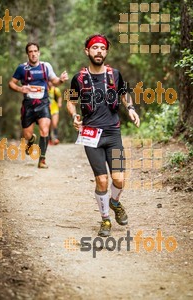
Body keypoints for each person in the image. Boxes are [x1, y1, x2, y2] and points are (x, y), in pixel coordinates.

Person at [67, 34, 140, 237]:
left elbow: (124, 93)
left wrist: (131, 108)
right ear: (87, 51)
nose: (99, 51)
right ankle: (105, 220)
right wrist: (74, 115)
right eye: (95, 47)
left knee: (119, 180)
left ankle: (115, 202)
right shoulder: (78, 79)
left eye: (102, 48)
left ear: (106, 52)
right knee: (102, 181)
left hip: (113, 133)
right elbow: (71, 102)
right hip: (91, 136)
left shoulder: (114, 74)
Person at [9, 42, 68, 168]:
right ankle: (30, 141)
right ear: (27, 54)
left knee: (45, 130)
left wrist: (61, 80)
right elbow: (11, 83)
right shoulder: (22, 68)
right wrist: (20, 89)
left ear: (39, 52)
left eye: (35, 51)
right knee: (27, 135)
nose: (33, 54)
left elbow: (55, 81)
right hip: (28, 105)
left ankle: (42, 160)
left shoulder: (46, 66)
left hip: (43, 103)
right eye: (30, 51)